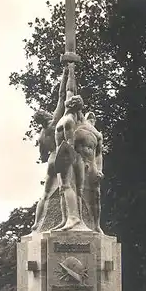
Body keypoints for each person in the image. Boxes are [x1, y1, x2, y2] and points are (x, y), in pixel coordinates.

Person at [31, 66, 68, 231]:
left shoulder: (41, 137)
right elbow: (62, 96)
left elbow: (43, 157)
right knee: (66, 188)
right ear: (45, 116)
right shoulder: (53, 122)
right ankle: (67, 220)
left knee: (45, 195)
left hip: (51, 160)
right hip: (60, 156)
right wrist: (65, 74)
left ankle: (37, 224)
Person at [53, 62, 87, 231]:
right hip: (62, 156)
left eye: (70, 100)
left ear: (71, 105)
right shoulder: (67, 115)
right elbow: (68, 90)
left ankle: (73, 218)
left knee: (67, 186)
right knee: (61, 189)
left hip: (67, 157)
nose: (67, 99)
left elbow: (70, 145)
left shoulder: (68, 121)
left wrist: (68, 165)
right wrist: (69, 72)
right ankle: (65, 218)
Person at [74, 111, 104, 233]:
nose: (91, 116)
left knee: (96, 195)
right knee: (77, 191)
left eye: (93, 117)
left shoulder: (98, 135)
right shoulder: (79, 124)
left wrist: (100, 170)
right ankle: (78, 220)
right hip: (79, 161)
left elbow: (99, 154)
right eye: (89, 116)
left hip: (92, 164)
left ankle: (96, 225)